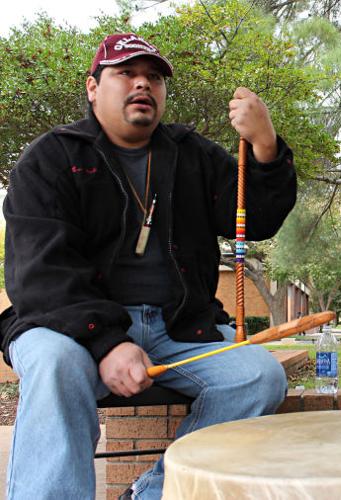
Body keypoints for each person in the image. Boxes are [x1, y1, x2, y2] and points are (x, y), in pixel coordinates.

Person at [0, 33, 296, 499]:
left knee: (258, 376)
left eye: (153, 77)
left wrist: (264, 146)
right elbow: (40, 271)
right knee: (56, 365)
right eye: (126, 74)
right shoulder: (52, 158)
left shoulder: (191, 153)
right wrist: (106, 340)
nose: (143, 84)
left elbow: (252, 220)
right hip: (69, 328)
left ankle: (150, 493)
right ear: (93, 87)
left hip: (176, 327)